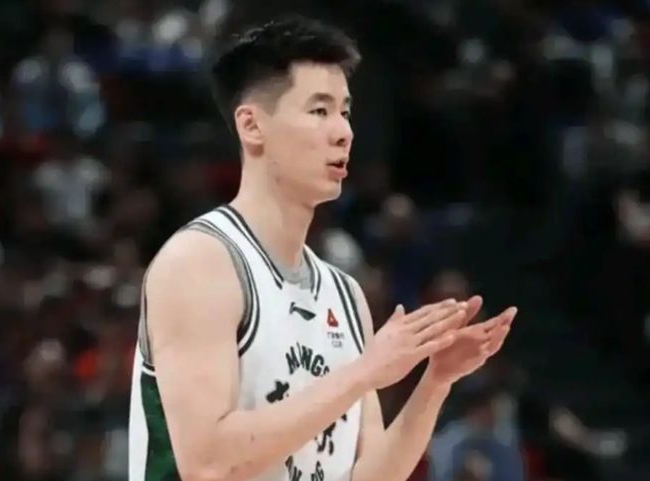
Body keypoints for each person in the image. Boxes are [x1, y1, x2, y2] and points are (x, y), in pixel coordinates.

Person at [128, 15, 517, 481]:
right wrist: (365, 372)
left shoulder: (344, 294)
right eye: (319, 111)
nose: (343, 132)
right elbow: (208, 463)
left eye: (345, 112)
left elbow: (370, 477)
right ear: (252, 126)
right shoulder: (200, 263)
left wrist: (436, 381)